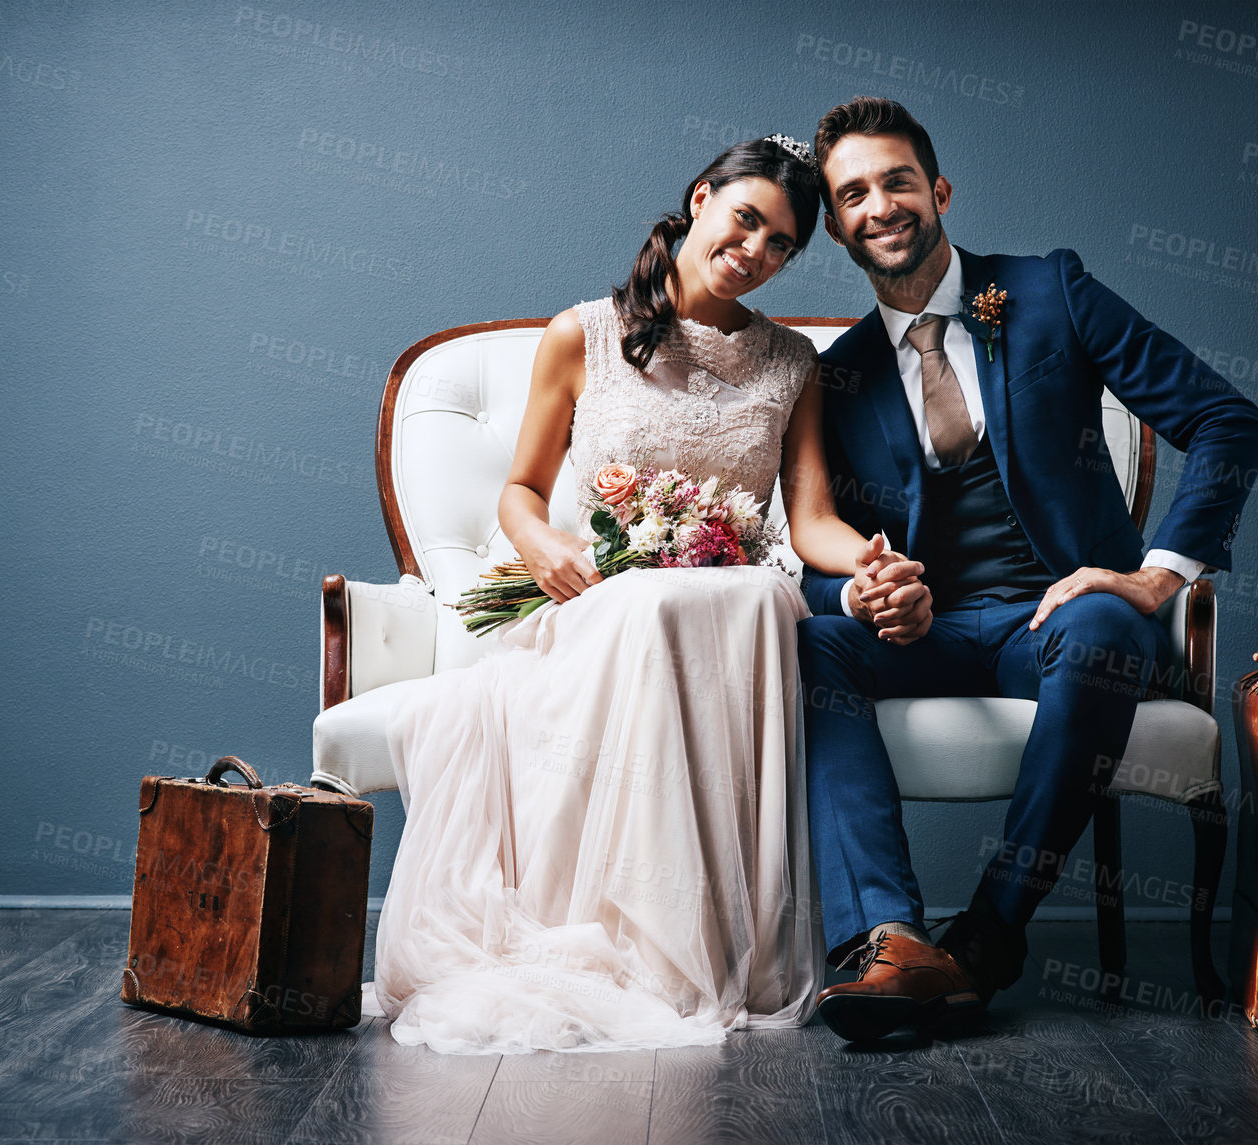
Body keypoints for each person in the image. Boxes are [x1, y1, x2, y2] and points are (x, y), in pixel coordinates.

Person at [366, 134, 921, 1053]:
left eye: (780, 244)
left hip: (728, 608)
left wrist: (869, 561)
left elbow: (808, 517)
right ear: (700, 199)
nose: (755, 252)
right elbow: (520, 489)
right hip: (606, 607)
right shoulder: (580, 332)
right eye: (745, 220)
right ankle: (627, 938)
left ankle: (705, 944)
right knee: (651, 603)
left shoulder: (792, 364)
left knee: (740, 598)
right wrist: (543, 543)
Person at [797, 97, 1258, 1042]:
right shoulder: (837, 371)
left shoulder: (1049, 291)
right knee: (816, 644)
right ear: (837, 226)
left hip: (1056, 619)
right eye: (852, 194)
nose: (879, 205)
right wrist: (858, 591)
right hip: (927, 635)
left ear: (937, 190)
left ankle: (984, 936)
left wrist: (1153, 576)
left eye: (896, 180)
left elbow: (1228, 421)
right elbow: (823, 545)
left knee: (1099, 629)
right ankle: (886, 939)